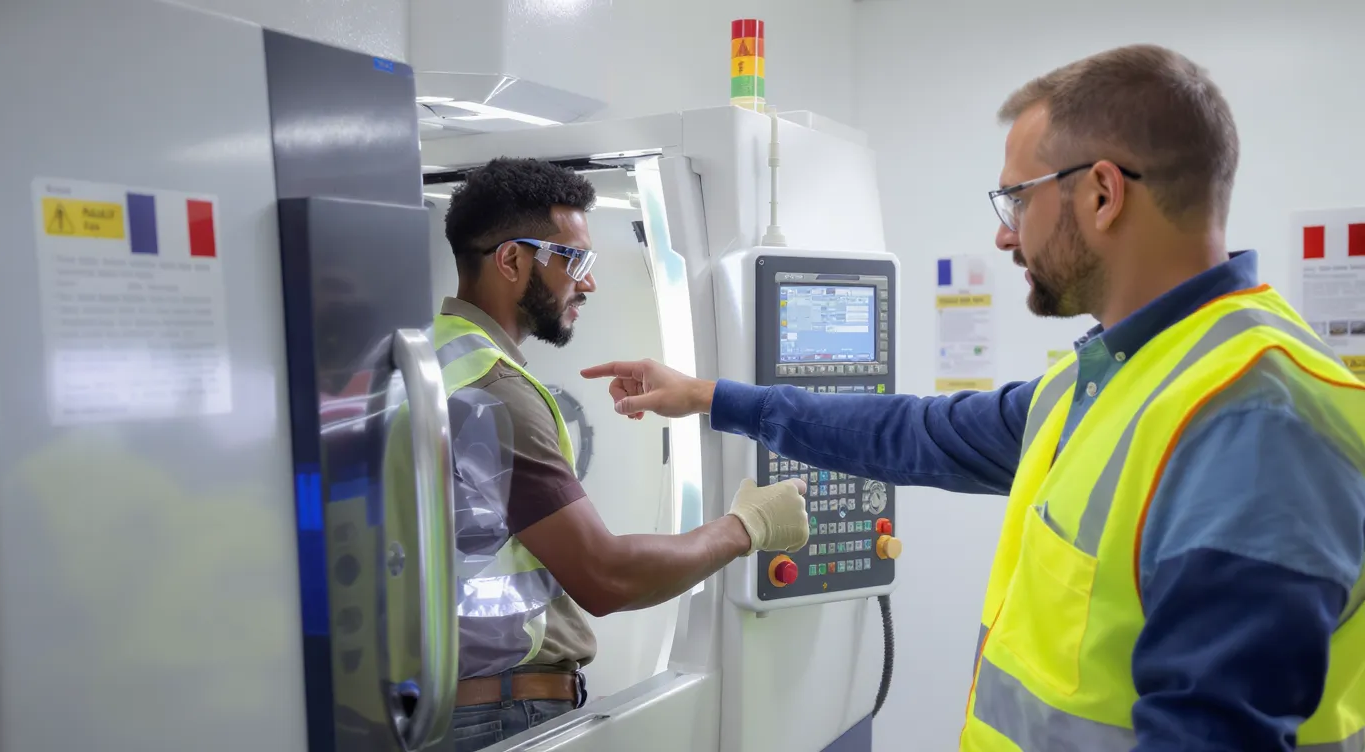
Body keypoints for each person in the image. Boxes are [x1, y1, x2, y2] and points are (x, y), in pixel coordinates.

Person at [583, 45, 1365, 751]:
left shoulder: (1255, 418)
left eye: (1016, 199)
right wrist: (712, 396)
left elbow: (1211, 735)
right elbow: (914, 433)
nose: (1002, 235)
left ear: (1101, 194)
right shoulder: (1107, 375)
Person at [385, 157, 809, 752]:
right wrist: (748, 527)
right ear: (511, 260)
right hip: (501, 711)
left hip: (441, 703)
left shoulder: (429, 358)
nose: (587, 283)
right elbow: (606, 577)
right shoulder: (496, 391)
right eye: (574, 259)